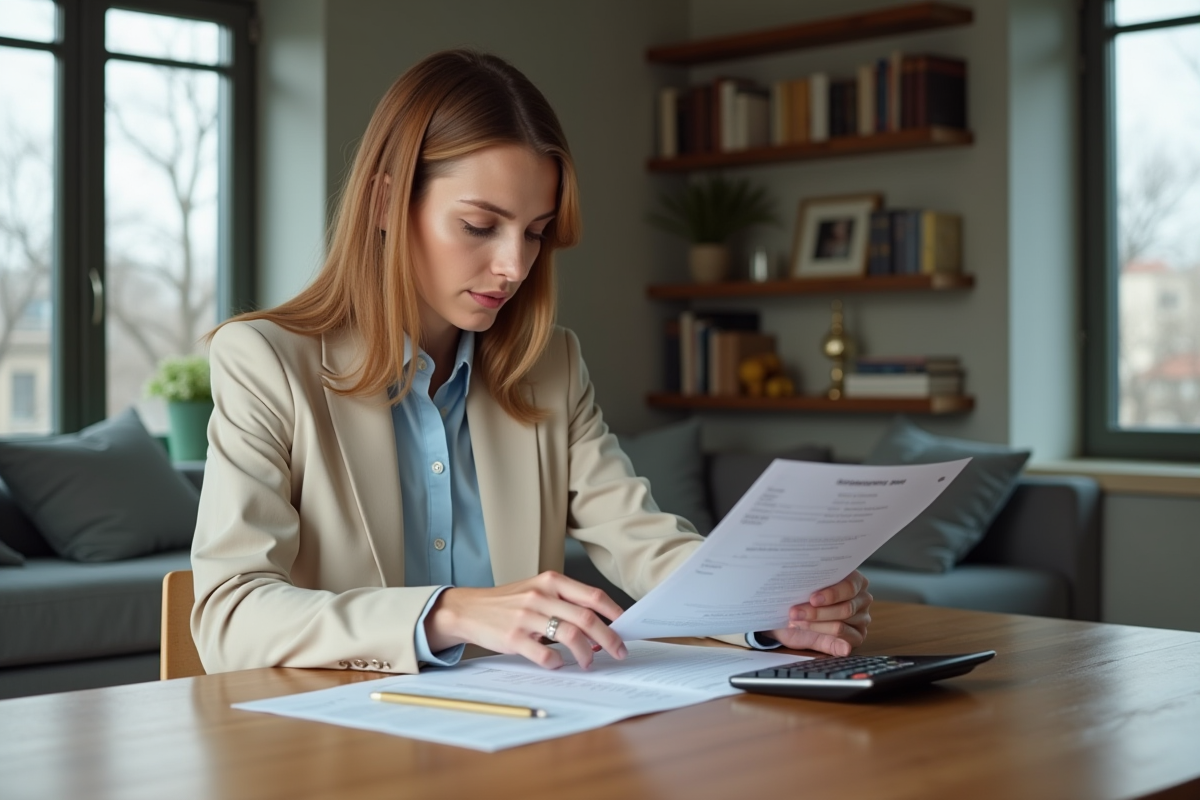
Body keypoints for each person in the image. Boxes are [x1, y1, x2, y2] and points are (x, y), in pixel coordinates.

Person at [191, 49, 872, 676]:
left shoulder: (552, 367)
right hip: (332, 746)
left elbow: (642, 540)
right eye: (480, 226)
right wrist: (446, 611)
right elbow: (229, 613)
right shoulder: (266, 362)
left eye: (536, 233)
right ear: (384, 202)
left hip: (522, 732)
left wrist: (773, 610)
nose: (514, 266)